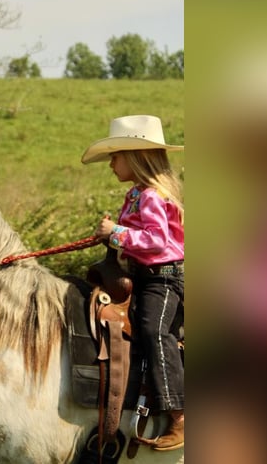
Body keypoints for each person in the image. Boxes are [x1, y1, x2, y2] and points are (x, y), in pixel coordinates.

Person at [82, 114, 185, 451]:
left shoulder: (152, 196)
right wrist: (113, 238)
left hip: (165, 280)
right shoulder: (135, 195)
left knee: (155, 331)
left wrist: (117, 233)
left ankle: (179, 416)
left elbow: (156, 241)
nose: (111, 163)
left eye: (116, 155)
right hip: (145, 277)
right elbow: (135, 241)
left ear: (136, 157)